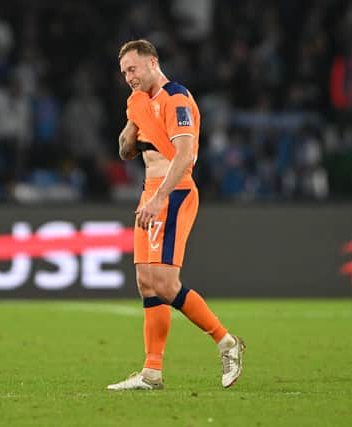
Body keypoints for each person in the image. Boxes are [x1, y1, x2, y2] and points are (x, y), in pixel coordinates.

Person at [107, 39, 245, 391]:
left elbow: (184, 156)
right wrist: (128, 132)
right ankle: (152, 373)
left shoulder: (177, 99)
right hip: (149, 194)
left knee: (166, 284)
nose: (129, 77)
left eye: (133, 69)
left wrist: (159, 199)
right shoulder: (137, 101)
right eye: (124, 72)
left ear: (153, 62)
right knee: (146, 283)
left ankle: (227, 342)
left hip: (174, 193)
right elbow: (126, 151)